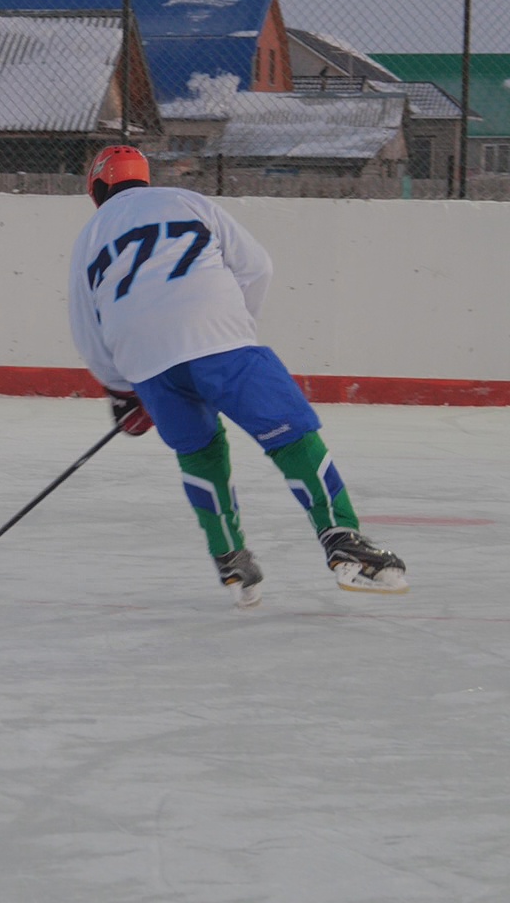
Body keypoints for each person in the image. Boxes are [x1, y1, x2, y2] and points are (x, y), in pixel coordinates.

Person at [67, 145, 407, 606]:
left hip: (144, 361)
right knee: (292, 435)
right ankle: (343, 538)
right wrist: (234, 327)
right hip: (220, 337)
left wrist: (124, 392)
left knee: (199, 451)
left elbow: (86, 326)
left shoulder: (89, 236)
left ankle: (230, 558)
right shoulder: (186, 201)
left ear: (99, 187)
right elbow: (257, 266)